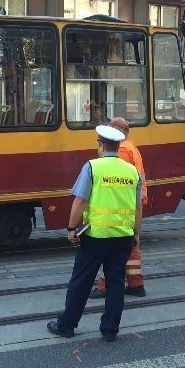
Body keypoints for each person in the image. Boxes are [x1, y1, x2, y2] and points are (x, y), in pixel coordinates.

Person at [47, 125, 142, 342]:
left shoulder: (92, 167)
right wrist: (136, 233)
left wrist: (72, 228)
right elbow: (138, 208)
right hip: (123, 236)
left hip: (96, 236)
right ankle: (110, 330)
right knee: (116, 282)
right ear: (118, 147)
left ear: (100, 145)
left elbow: (80, 200)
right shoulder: (131, 171)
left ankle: (67, 325)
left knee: (81, 280)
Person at [91, 117, 148, 299]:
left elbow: (115, 176)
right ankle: (136, 284)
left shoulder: (122, 149)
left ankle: (104, 286)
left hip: (123, 203)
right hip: (134, 202)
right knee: (131, 246)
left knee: (112, 247)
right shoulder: (132, 146)